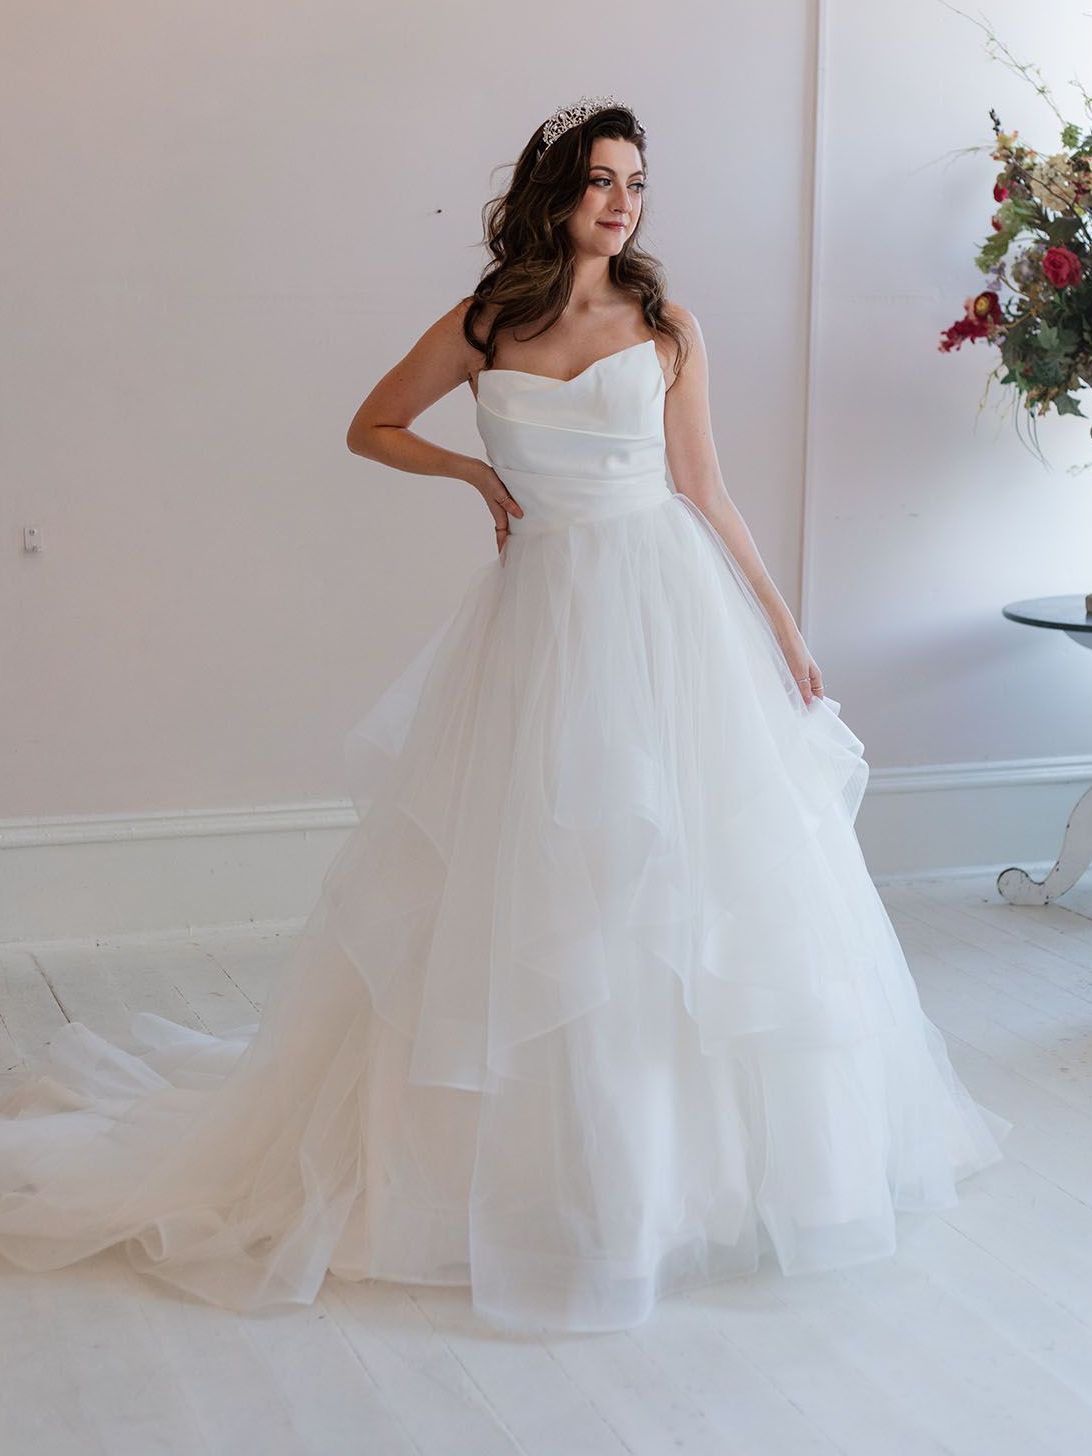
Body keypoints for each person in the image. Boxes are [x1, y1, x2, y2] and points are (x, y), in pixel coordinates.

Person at [0, 95, 1012, 1335]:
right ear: (556, 194)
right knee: (534, 887)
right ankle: (531, 1169)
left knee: (684, 886)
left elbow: (705, 488)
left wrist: (786, 634)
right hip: (541, 624)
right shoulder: (487, 323)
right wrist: (474, 468)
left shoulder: (668, 324)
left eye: (636, 181)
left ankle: (676, 1183)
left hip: (667, 616)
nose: (622, 202)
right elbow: (369, 426)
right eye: (601, 179)